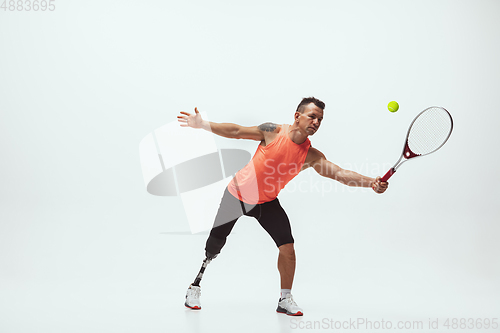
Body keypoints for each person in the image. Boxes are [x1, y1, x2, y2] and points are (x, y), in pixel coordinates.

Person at [177, 97, 388, 316]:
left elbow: (339, 173)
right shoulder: (272, 131)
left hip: (266, 203)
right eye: (312, 116)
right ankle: (195, 287)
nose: (316, 122)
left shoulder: (310, 155)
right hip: (236, 195)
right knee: (214, 246)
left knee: (287, 248)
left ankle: (285, 299)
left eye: (320, 119)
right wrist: (203, 125)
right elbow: (237, 131)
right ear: (297, 116)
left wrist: (371, 182)